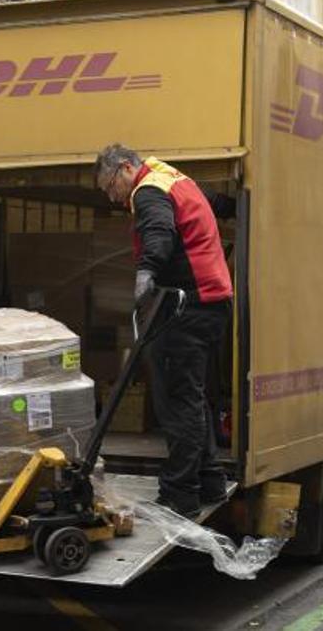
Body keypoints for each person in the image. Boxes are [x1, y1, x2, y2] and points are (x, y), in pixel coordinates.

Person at [95, 143, 234, 518]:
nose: (113, 196)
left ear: (125, 168)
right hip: (212, 304)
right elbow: (216, 202)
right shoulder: (174, 177)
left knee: (176, 401)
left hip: (185, 306)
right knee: (194, 397)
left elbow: (159, 230)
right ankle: (209, 480)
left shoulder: (148, 190)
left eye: (111, 186)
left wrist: (147, 272)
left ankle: (179, 494)